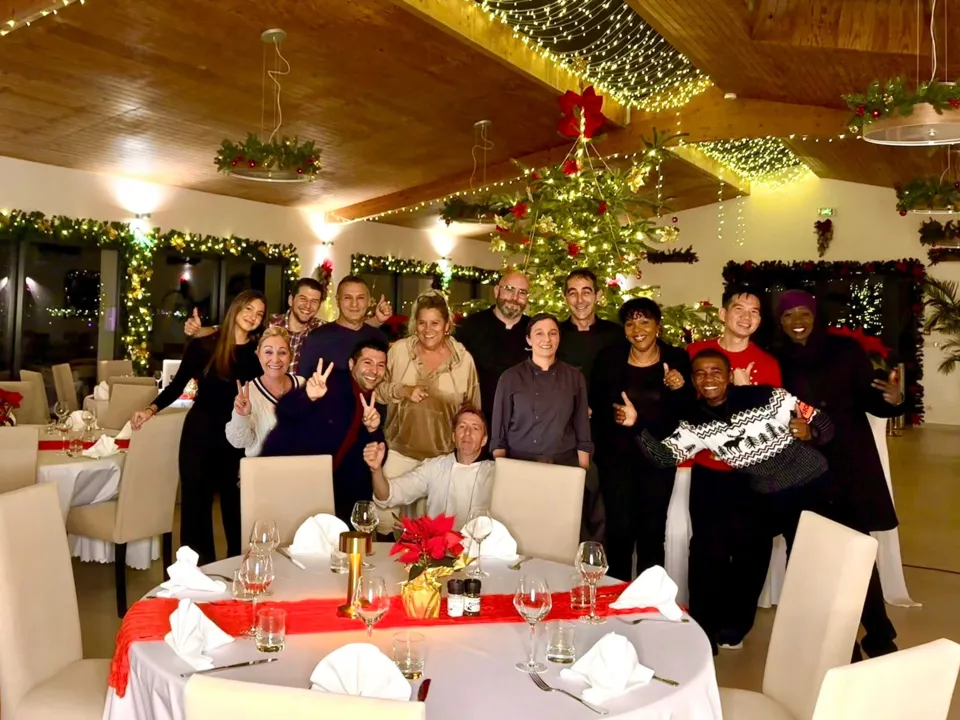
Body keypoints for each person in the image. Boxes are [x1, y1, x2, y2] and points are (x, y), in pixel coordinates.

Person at [775, 289, 901, 659]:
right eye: (788, 315)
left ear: (815, 315)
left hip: (848, 466)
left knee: (857, 552)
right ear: (779, 321)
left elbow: (868, 398)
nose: (797, 321)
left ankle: (879, 632)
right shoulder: (775, 358)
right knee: (811, 557)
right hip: (800, 470)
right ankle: (839, 642)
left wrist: (893, 400)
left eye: (804, 313)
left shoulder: (844, 351)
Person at [131, 290, 266, 564]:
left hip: (237, 437)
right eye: (248, 309)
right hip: (200, 434)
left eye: (259, 314)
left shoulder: (257, 355)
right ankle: (197, 573)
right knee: (195, 508)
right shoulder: (203, 347)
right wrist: (149, 410)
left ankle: (237, 571)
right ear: (235, 309)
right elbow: (176, 385)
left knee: (236, 508)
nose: (253, 317)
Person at [685, 285, 782, 651]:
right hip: (709, 471)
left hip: (755, 473)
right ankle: (703, 626)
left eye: (754, 311)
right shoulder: (695, 354)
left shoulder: (768, 364)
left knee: (752, 550)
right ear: (723, 314)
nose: (746, 316)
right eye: (739, 308)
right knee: (707, 549)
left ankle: (736, 624)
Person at [591, 298, 691, 581]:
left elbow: (686, 412)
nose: (638, 329)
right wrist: (614, 419)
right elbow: (597, 406)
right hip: (617, 462)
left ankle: (649, 603)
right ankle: (615, 599)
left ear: (657, 326)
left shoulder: (677, 359)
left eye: (645, 321)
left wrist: (679, 388)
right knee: (619, 533)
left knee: (652, 534)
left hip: (658, 462)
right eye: (630, 322)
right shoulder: (609, 358)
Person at [261, 339, 388, 523]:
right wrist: (308, 397)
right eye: (367, 362)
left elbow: (377, 456)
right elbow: (284, 411)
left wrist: (373, 430)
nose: (374, 371)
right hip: (296, 480)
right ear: (352, 364)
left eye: (380, 365)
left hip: (338, 494)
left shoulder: (375, 403)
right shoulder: (331, 382)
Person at [184, 277, 392, 373]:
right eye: (303, 299)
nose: (308, 306)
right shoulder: (269, 322)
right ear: (291, 300)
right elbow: (235, 327)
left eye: (314, 302)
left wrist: (376, 320)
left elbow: (349, 325)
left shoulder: (319, 329)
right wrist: (200, 331)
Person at [376, 291, 480, 481]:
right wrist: (402, 390)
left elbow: (473, 411)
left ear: (446, 325)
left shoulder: (463, 361)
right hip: (399, 455)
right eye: (422, 323)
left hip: (442, 460)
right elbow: (377, 390)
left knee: (433, 512)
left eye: (435, 323)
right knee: (384, 508)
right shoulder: (399, 351)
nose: (427, 329)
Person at [364, 406, 493, 530]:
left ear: (484, 440)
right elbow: (387, 495)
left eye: (475, 428)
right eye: (462, 426)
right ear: (454, 436)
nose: (467, 433)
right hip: (436, 550)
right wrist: (376, 470)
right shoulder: (434, 467)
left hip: (477, 550)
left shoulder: (495, 474)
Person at [491, 313, 593, 469]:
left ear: (559, 338)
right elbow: (499, 434)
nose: (547, 339)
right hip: (518, 463)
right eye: (539, 333)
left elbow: (583, 430)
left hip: (563, 463)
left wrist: (582, 472)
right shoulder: (510, 377)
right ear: (529, 340)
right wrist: (502, 471)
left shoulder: (574, 377)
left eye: (552, 333)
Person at [455, 269, 531, 428]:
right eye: (509, 289)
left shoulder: (535, 330)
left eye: (521, 292)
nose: (514, 298)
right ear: (497, 291)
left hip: (522, 425)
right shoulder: (471, 326)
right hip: (477, 421)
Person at [225, 326, 304, 457]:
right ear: (258, 355)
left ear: (290, 355)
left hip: (301, 469)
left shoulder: (303, 385)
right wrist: (242, 416)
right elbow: (238, 442)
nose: (275, 359)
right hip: (263, 471)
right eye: (268, 352)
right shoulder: (248, 392)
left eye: (282, 353)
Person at [298, 276, 390, 375]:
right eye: (347, 298)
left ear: (369, 301)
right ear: (337, 301)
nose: (354, 304)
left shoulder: (379, 338)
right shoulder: (317, 338)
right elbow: (303, 380)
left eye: (360, 298)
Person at [558, 268, 623, 387]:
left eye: (586, 292)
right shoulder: (555, 334)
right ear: (565, 298)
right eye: (573, 293)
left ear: (597, 295)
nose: (579, 300)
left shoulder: (616, 334)